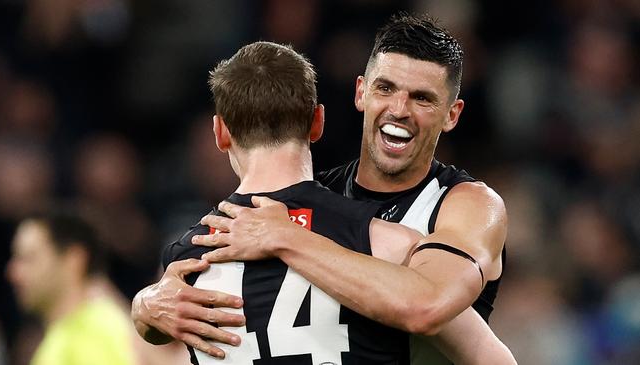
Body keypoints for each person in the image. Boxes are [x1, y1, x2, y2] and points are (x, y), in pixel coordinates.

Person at [133, 39, 514, 364]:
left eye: (421, 97)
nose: (399, 108)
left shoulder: (185, 262)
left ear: (220, 133)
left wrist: (144, 308)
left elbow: (142, 350)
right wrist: (144, 308)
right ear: (318, 121)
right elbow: (490, 357)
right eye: (386, 89)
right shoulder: (390, 243)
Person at [6, 208, 137, 365]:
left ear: (74, 260)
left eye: (29, 259)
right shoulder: (66, 336)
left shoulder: (93, 335)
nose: (13, 272)